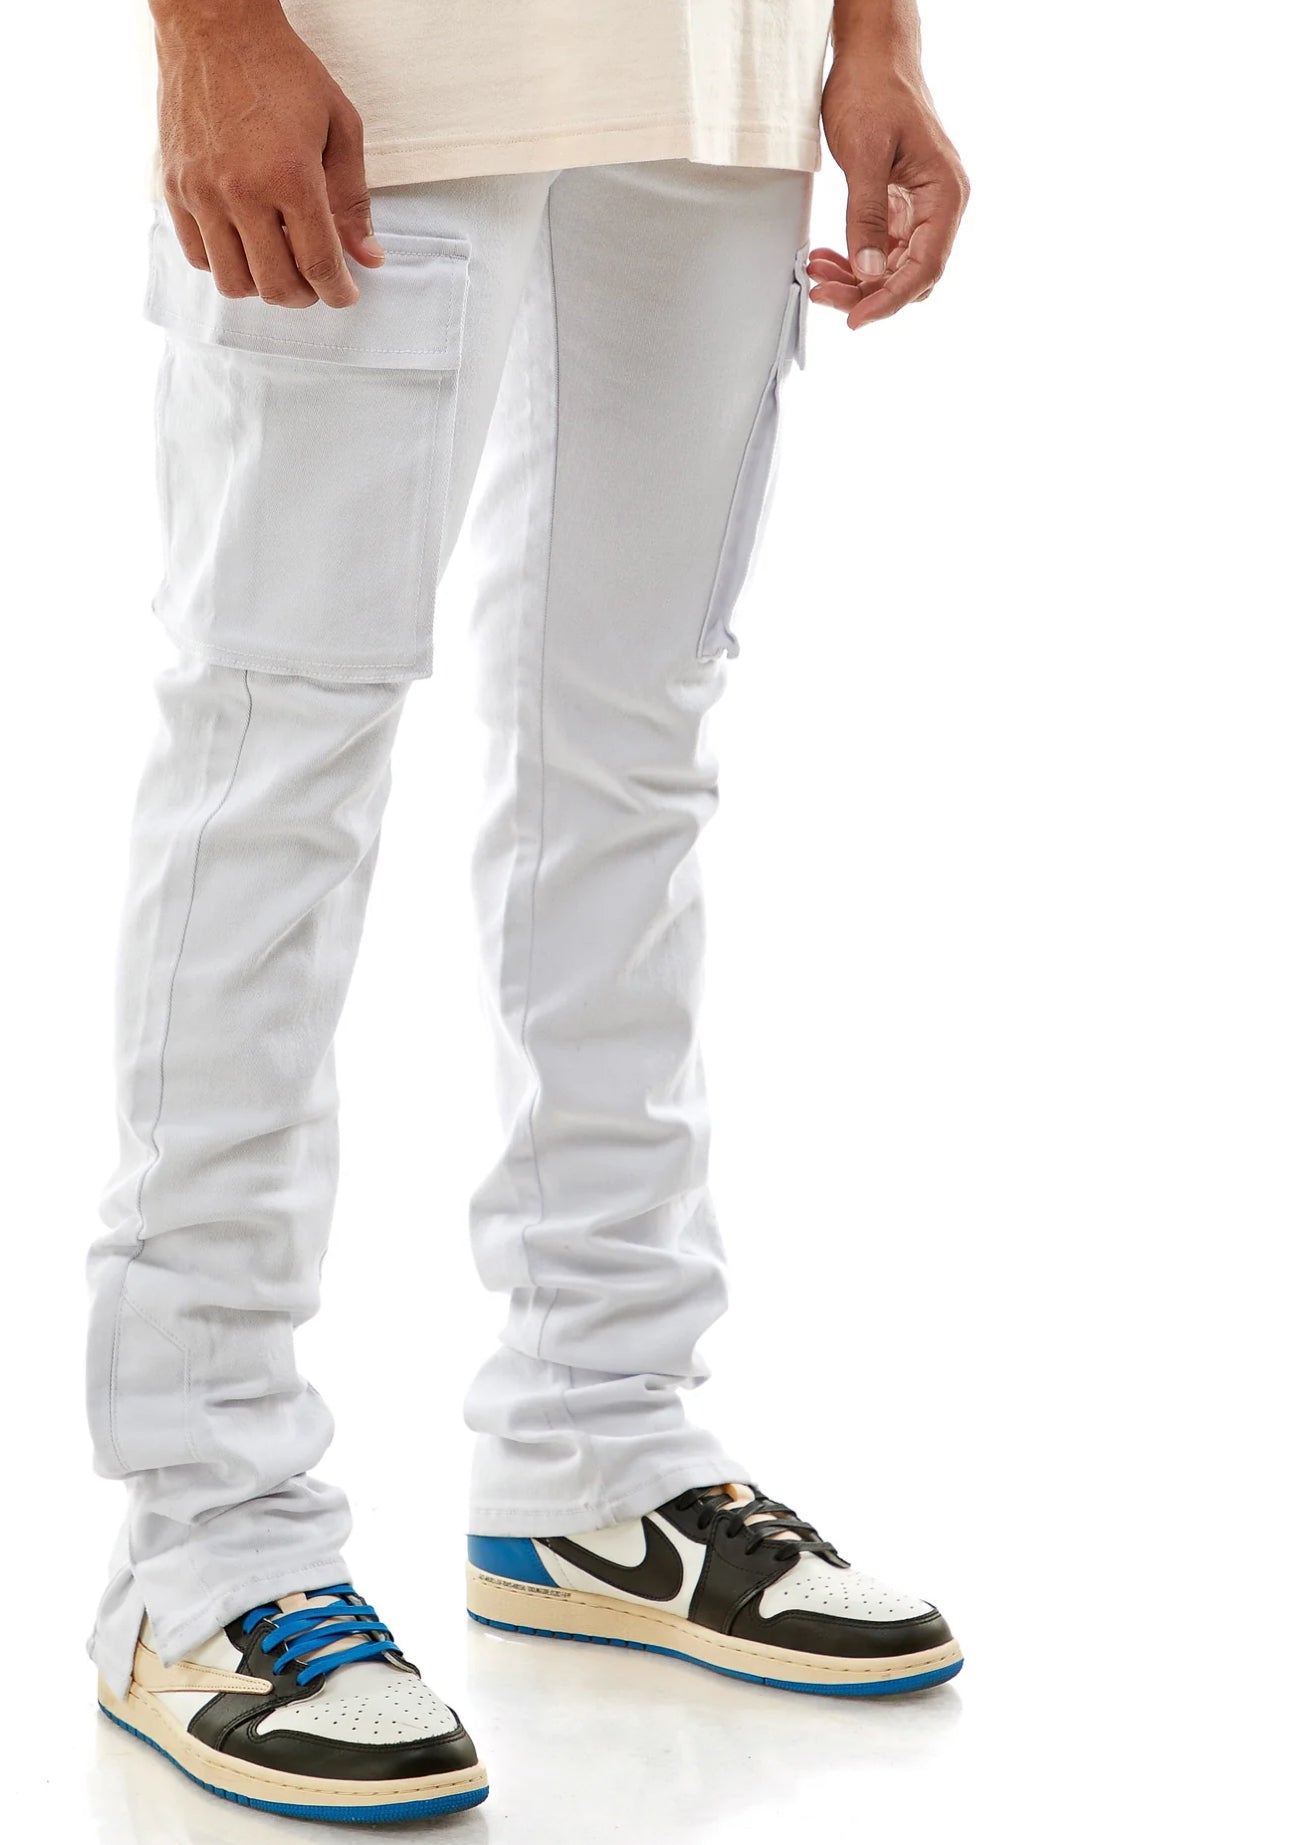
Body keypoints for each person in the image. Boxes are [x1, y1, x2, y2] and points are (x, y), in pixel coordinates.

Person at [85, 0, 969, 1821]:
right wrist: (210, 30)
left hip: (717, 74)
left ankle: (598, 1444)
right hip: (374, 66)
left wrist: (876, 35)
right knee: (274, 765)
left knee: (629, 759)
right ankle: (202, 1542)